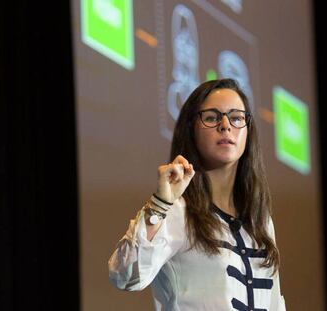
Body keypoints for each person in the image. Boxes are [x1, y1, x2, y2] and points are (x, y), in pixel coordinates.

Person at [108, 78, 286, 310]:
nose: (225, 125)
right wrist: (161, 204)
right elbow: (126, 275)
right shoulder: (178, 211)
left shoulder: (259, 221)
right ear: (190, 129)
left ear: (248, 131)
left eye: (236, 118)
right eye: (212, 117)